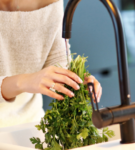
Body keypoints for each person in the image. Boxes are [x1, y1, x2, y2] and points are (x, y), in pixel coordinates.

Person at [0, 0, 102, 128]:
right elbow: (31, 80)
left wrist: (77, 82)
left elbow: (57, 61)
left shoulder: (51, 2)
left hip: (31, 126)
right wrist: (23, 81)